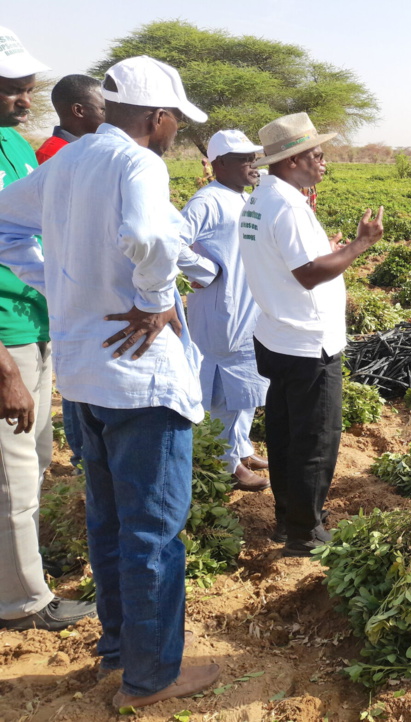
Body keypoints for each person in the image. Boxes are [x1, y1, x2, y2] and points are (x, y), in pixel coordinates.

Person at [0, 55, 220, 708]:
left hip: (83, 378)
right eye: (175, 120)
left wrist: (60, 286)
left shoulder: (67, 161)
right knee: (152, 533)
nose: (175, 131)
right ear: (156, 117)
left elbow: (6, 226)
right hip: (141, 385)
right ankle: (152, 678)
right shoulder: (137, 163)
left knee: (110, 525)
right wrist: (154, 299)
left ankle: (119, 653)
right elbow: (149, 237)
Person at [240, 112, 383, 557]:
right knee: (316, 441)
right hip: (307, 343)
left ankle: (288, 520)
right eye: (317, 155)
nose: (324, 162)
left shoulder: (261, 198)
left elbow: (290, 259)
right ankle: (306, 532)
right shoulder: (287, 205)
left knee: (283, 435)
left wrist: (329, 248)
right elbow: (307, 273)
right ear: (293, 160)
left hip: (276, 335)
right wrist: (360, 244)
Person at [0, 26, 97, 632]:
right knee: (11, 473)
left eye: (27, 87)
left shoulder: (13, 144)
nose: (26, 97)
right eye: (13, 88)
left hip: (32, 321)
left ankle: (21, 567)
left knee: (33, 460)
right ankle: (22, 602)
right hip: (6, 335)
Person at [180, 129, 270, 492]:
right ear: (219, 164)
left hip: (248, 306)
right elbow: (171, 242)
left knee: (246, 383)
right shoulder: (207, 200)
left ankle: (242, 447)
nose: (253, 164)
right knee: (225, 390)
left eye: (253, 157)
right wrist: (205, 272)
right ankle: (226, 461)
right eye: (243, 159)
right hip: (224, 310)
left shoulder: (243, 197)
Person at [35, 74, 106, 473]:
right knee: (78, 364)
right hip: (68, 278)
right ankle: (82, 452)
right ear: (78, 111)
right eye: (102, 107)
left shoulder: (77, 151)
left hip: (78, 276)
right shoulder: (56, 154)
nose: (108, 116)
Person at [35, 74, 105, 164]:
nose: (110, 116)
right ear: (79, 110)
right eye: (104, 110)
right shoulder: (51, 155)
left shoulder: (88, 148)